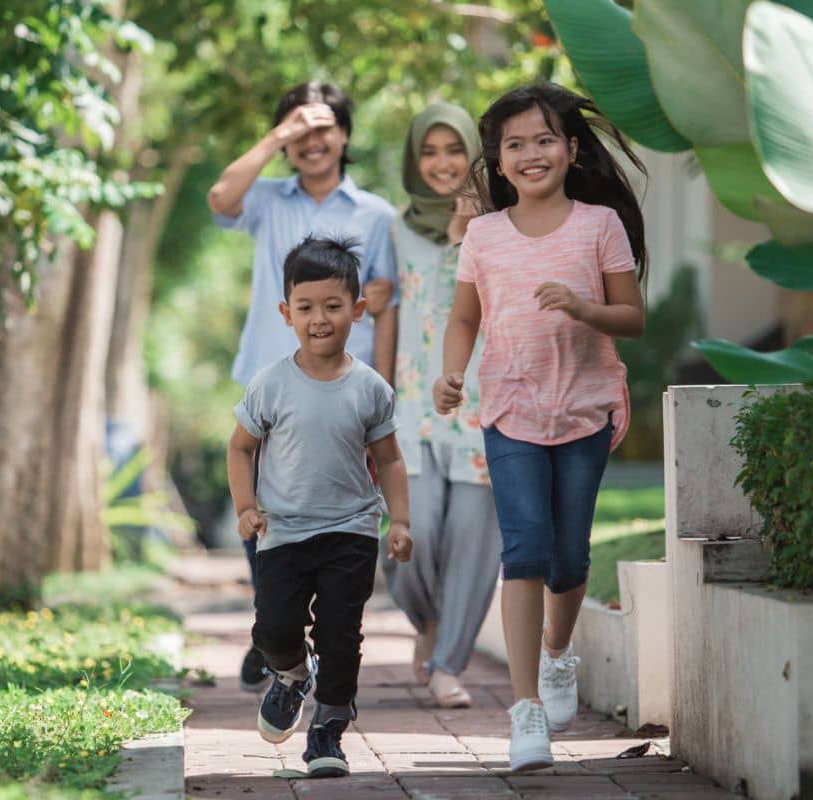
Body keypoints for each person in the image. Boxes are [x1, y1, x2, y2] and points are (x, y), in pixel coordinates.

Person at [432, 83, 647, 772]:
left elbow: (632, 318)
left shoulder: (598, 226)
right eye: (515, 144)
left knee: (569, 557)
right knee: (523, 550)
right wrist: (452, 372)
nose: (532, 154)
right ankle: (526, 712)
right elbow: (465, 317)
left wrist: (584, 309)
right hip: (510, 408)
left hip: (584, 405)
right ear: (498, 162)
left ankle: (558, 654)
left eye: (545, 139)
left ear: (571, 148)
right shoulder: (485, 236)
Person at [207, 81, 399, 693]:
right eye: (299, 130)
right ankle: (275, 635)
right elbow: (220, 196)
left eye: (324, 128)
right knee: (260, 506)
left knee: (340, 508)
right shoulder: (265, 200)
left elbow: (386, 305)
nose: (313, 141)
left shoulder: (376, 215)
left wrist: (385, 389)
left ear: (345, 134)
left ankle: (306, 641)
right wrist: (275, 136)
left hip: (348, 391)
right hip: (270, 378)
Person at [226, 235, 413, 778]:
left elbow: (391, 460)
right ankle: (289, 674)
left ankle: (329, 726)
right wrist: (246, 506)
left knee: (340, 634)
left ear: (358, 311)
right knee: (273, 631)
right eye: (306, 308)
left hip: (351, 531)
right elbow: (240, 447)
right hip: (282, 533)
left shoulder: (371, 388)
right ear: (286, 314)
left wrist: (398, 520)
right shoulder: (271, 384)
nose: (320, 319)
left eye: (334, 306)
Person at [375, 102, 500, 710]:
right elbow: (387, 316)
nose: (443, 164)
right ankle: (426, 621)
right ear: (414, 160)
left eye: (455, 150)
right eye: (430, 152)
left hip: (484, 409)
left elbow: (482, 309)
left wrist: (463, 241)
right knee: (409, 536)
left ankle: (448, 663)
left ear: (474, 154)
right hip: (411, 410)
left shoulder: (500, 226)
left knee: (476, 543)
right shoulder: (394, 230)